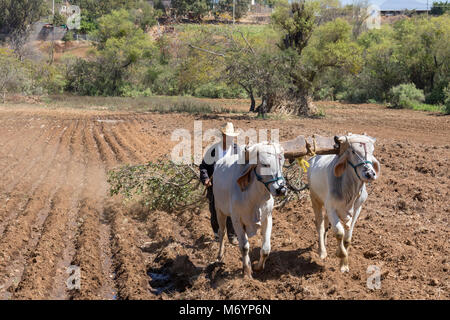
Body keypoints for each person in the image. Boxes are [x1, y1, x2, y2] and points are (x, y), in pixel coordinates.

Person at [199, 122, 240, 245]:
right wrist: (206, 179)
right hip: (215, 186)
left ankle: (232, 236)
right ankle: (217, 234)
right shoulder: (213, 150)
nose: (229, 139)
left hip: (232, 186)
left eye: (231, 137)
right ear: (222, 136)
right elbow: (203, 167)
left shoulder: (238, 150)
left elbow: (244, 167)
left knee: (233, 211)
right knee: (215, 210)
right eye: (227, 136)